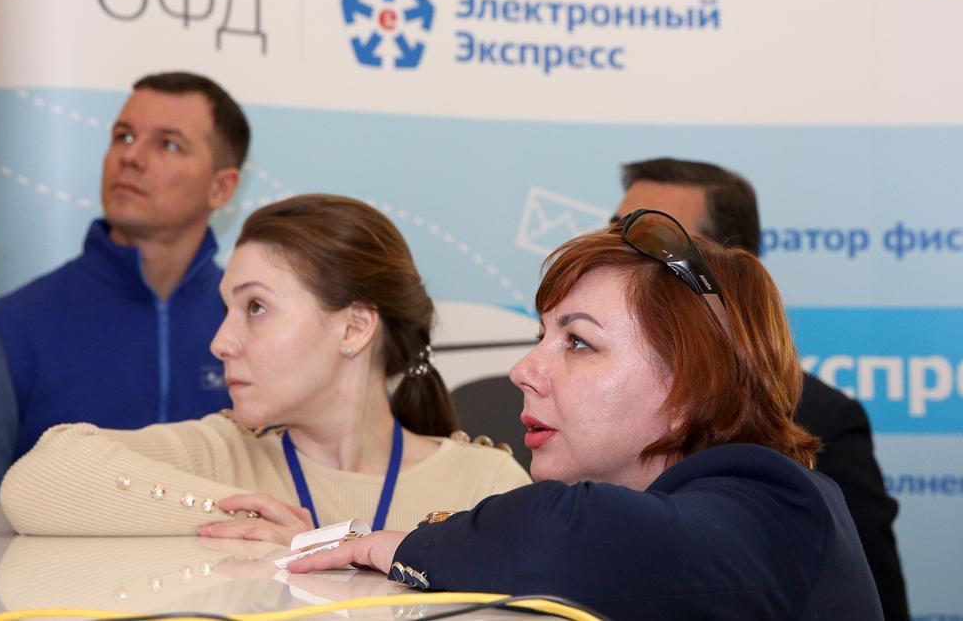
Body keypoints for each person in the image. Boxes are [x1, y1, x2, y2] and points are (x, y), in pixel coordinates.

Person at [290, 210, 883, 620]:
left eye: (578, 342)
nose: (524, 370)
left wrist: (399, 546)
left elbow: (559, 531)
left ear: (688, 389)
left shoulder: (777, 506)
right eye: (541, 336)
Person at [0, 194, 531, 538]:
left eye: (255, 308)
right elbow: (40, 477)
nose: (220, 343)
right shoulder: (223, 456)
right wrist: (242, 511)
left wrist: (313, 547)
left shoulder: (484, 486)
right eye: (226, 309)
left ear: (354, 327)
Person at [615, 157, 907, 621]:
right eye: (616, 231)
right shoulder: (571, 401)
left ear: (725, 265)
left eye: (653, 238)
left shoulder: (822, 419)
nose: (616, 253)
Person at [0, 71, 247, 500]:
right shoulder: (11, 332)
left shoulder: (257, 330)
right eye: (124, 137)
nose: (131, 156)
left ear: (221, 188)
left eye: (167, 144)